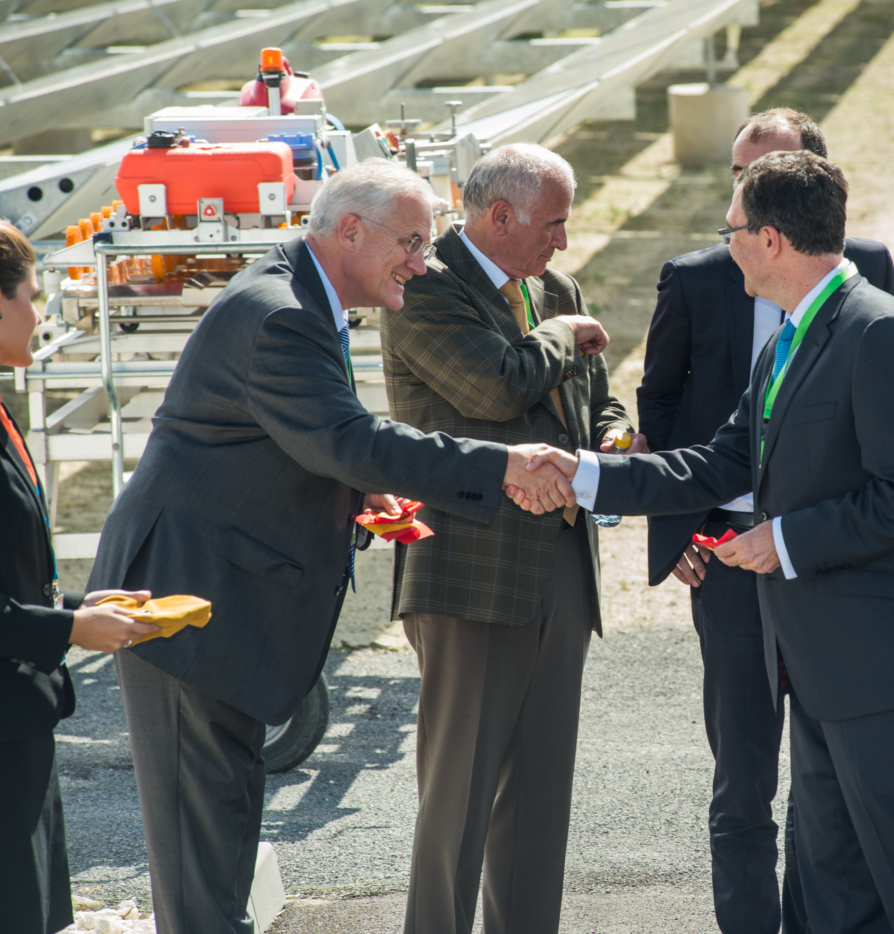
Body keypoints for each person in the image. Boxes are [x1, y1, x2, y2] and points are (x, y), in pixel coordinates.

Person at [518, 151, 894, 933]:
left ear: (773, 238)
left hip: (890, 668)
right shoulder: (790, 336)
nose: (728, 245)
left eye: (734, 231)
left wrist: (784, 540)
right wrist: (583, 474)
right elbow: (717, 462)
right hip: (822, 666)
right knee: (834, 894)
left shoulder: (877, 331)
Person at [86, 159, 577, 934]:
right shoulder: (281, 312)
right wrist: (502, 463)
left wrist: (355, 493)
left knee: (221, 844)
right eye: (411, 242)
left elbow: (301, 444)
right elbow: (348, 439)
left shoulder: (300, 296)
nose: (423, 259)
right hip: (187, 605)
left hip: (219, 603)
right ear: (350, 229)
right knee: (203, 866)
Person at [635, 107, 894, 934]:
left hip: (827, 563)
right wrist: (675, 534)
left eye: (764, 177)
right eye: (739, 177)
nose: (744, 198)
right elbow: (665, 411)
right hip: (727, 559)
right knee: (744, 776)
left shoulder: (869, 282)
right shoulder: (697, 275)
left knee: (834, 777)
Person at [383, 142, 638, 934]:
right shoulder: (426, 289)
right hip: (469, 570)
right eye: (553, 224)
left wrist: (617, 443)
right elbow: (495, 388)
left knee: (538, 799)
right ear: (499, 216)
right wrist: (563, 334)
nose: (563, 241)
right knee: (457, 796)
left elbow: (598, 403)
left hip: (560, 565)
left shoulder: (552, 287)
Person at [0, 222, 159, 934]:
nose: (40, 314)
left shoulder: (5, 410)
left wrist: (75, 606)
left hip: (23, 713)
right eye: (32, 297)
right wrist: (69, 629)